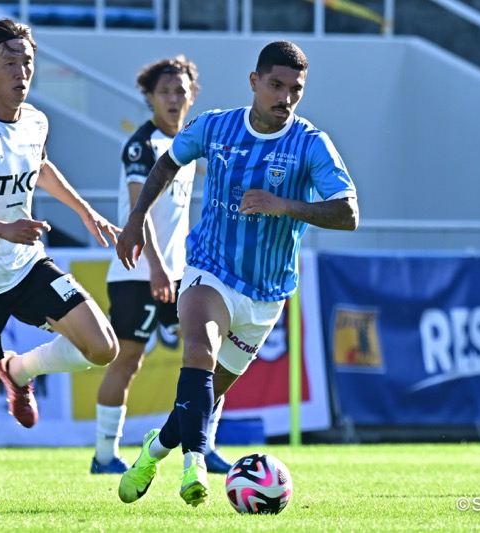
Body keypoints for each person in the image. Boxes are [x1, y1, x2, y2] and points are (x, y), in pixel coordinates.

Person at [115, 40, 359, 507]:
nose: (284, 97)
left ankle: (154, 450)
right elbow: (167, 162)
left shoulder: (310, 143)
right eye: (276, 85)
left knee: (203, 395)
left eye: (295, 89)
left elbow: (349, 213)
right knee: (199, 349)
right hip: (210, 268)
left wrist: (283, 204)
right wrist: (135, 220)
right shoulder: (216, 127)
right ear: (255, 82)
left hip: (266, 293)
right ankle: (195, 464)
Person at [0, 18, 120, 503]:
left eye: (27, 61)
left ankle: (21, 370)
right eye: (10, 62)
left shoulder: (35, 120)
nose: (22, 71)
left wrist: (85, 210)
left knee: (103, 347)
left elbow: (41, 164)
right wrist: (2, 228)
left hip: (25, 264)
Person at [91, 56, 232, 476]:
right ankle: (103, 456)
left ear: (192, 96)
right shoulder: (143, 145)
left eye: (180, 91)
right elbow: (142, 209)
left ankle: (204, 446)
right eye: (165, 92)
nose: (173, 99)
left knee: (211, 357)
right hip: (138, 272)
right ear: (150, 98)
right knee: (128, 360)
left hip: (181, 273)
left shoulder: (187, 145)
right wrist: (155, 266)